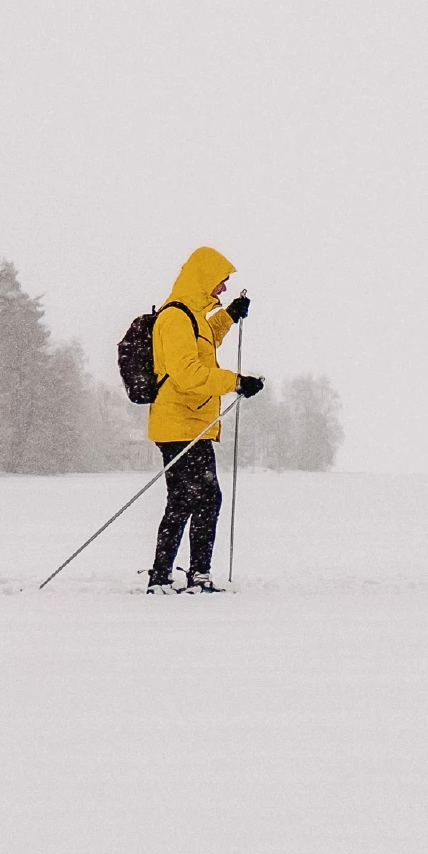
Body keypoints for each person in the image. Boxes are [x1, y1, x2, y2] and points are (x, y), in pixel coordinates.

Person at [146, 247, 263, 594]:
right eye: (222, 282)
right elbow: (187, 373)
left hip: (189, 423)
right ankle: (195, 575)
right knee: (206, 498)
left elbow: (205, 341)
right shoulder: (175, 318)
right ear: (204, 279)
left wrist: (228, 316)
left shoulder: (192, 317)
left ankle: (164, 576)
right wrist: (236, 382)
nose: (224, 288)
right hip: (180, 424)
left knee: (183, 500)